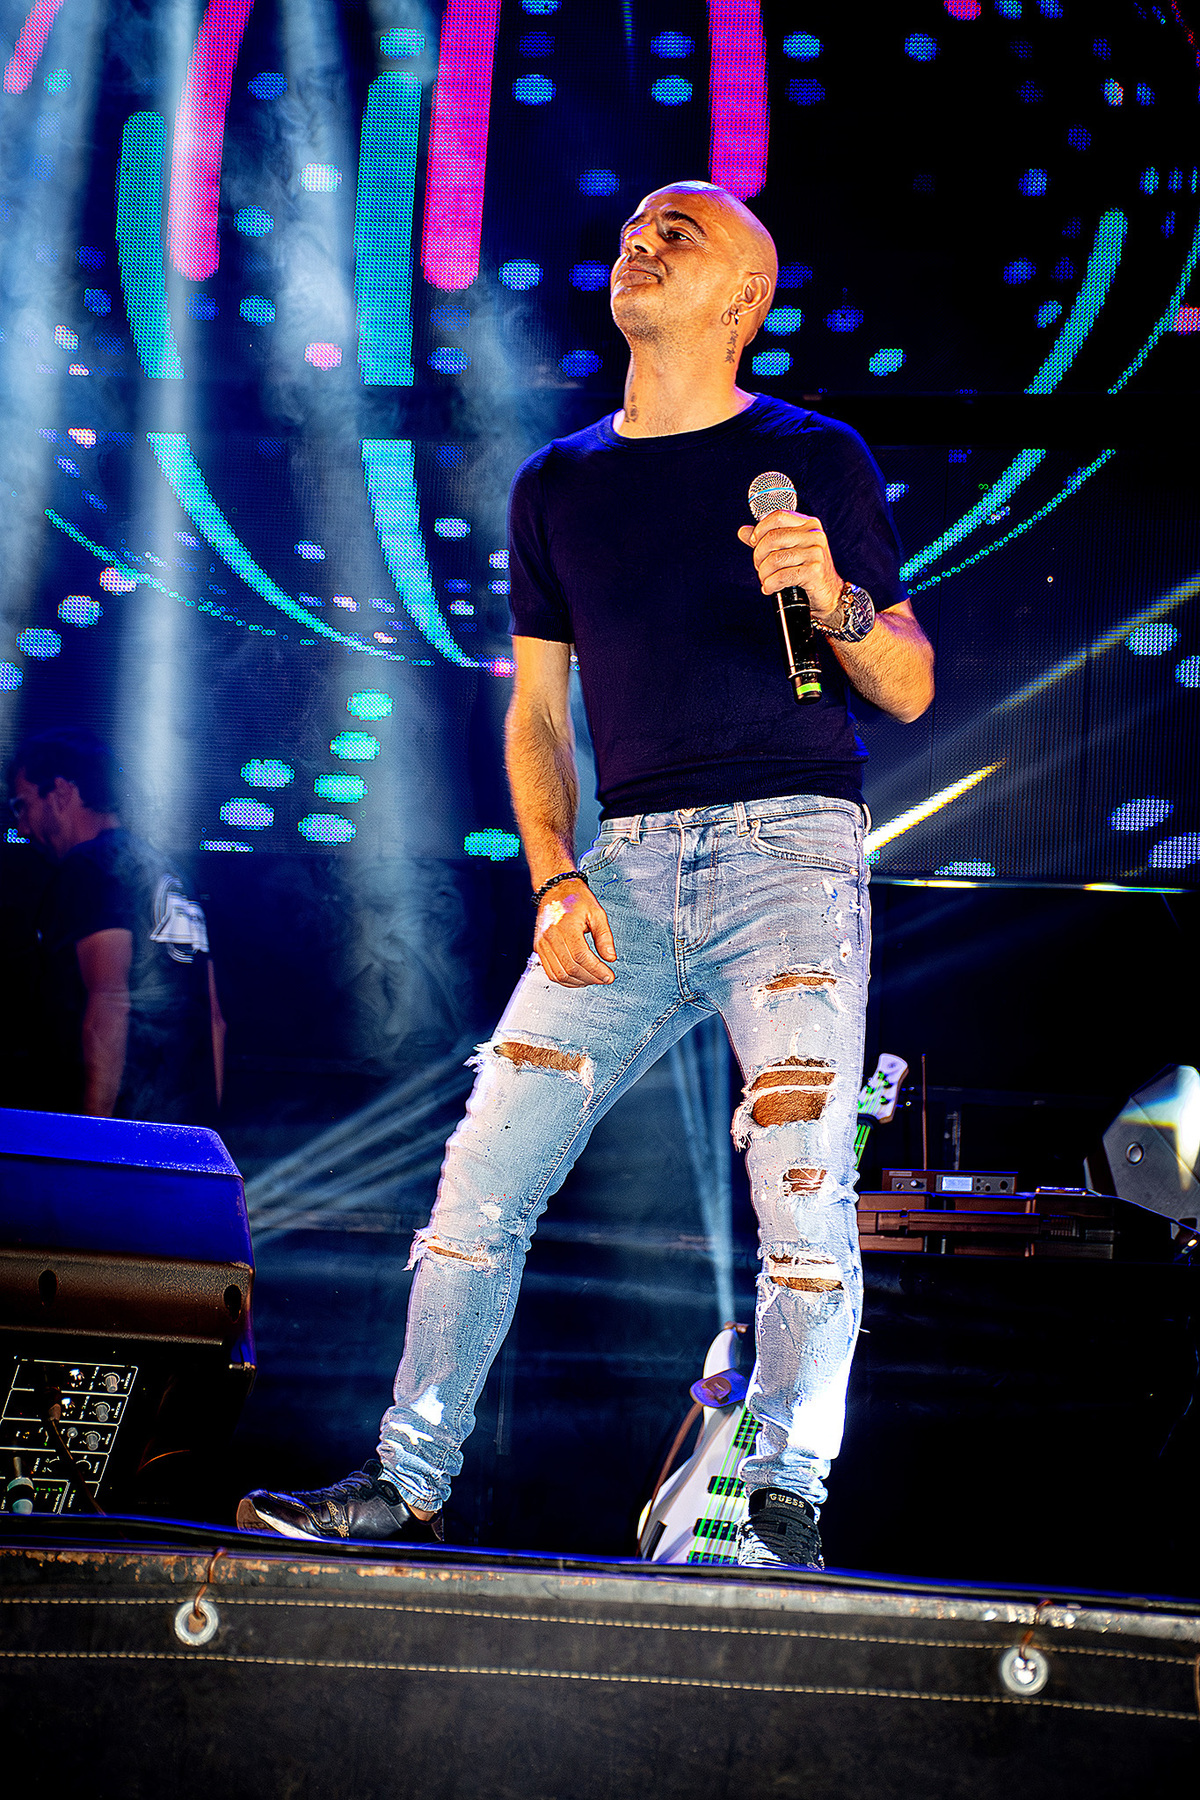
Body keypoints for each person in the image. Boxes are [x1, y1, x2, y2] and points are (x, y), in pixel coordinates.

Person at [240, 181, 934, 1567]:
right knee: (479, 1177)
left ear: (745, 300)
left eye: (681, 233)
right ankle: (408, 1477)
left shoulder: (812, 457)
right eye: (633, 231)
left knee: (801, 1184)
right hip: (625, 868)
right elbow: (539, 717)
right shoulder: (559, 484)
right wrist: (556, 878)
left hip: (789, 857)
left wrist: (834, 599)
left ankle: (786, 1498)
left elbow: (906, 682)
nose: (642, 244)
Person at [8, 728, 225, 1124]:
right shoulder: (173, 876)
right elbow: (214, 1019)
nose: (22, 828)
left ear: (60, 792)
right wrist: (208, 1132)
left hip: (120, 1131)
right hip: (182, 1132)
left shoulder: (89, 868)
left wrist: (96, 1136)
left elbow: (109, 999)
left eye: (23, 806)